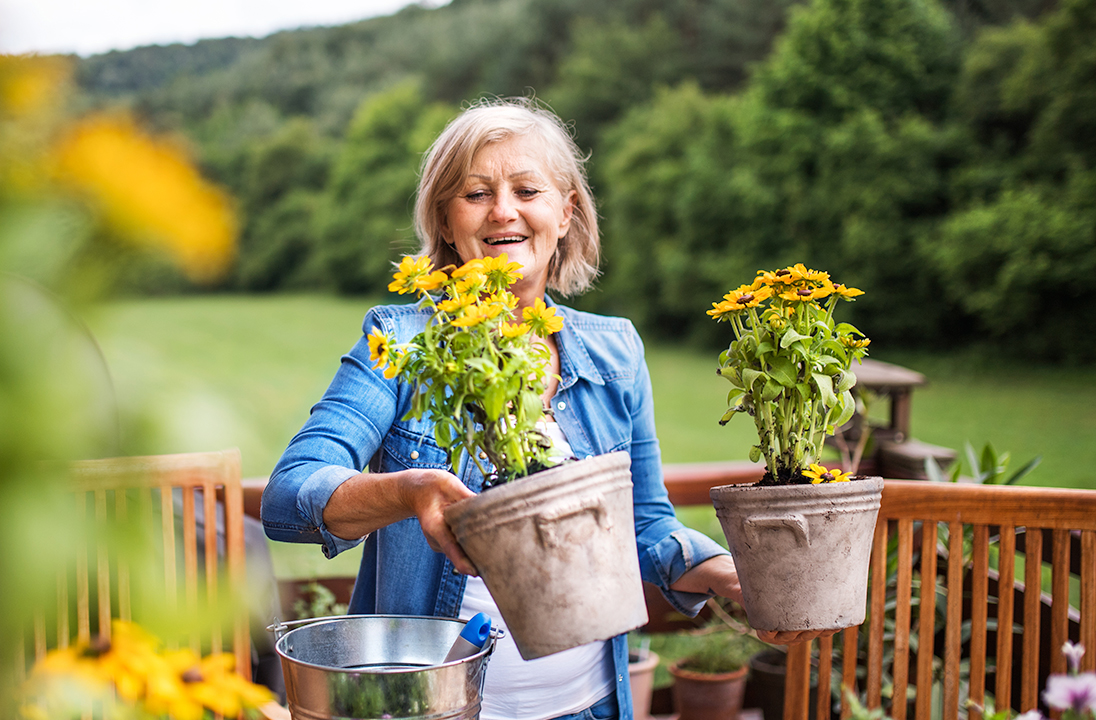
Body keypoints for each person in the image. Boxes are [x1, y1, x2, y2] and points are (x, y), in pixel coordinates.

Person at [261, 98, 811, 720]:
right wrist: (408, 491)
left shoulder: (615, 351)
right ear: (445, 220)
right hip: (438, 708)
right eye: (475, 194)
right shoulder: (402, 342)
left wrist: (724, 575)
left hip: (591, 704)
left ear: (565, 210)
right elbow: (290, 495)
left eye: (527, 189)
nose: (503, 211)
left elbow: (646, 528)